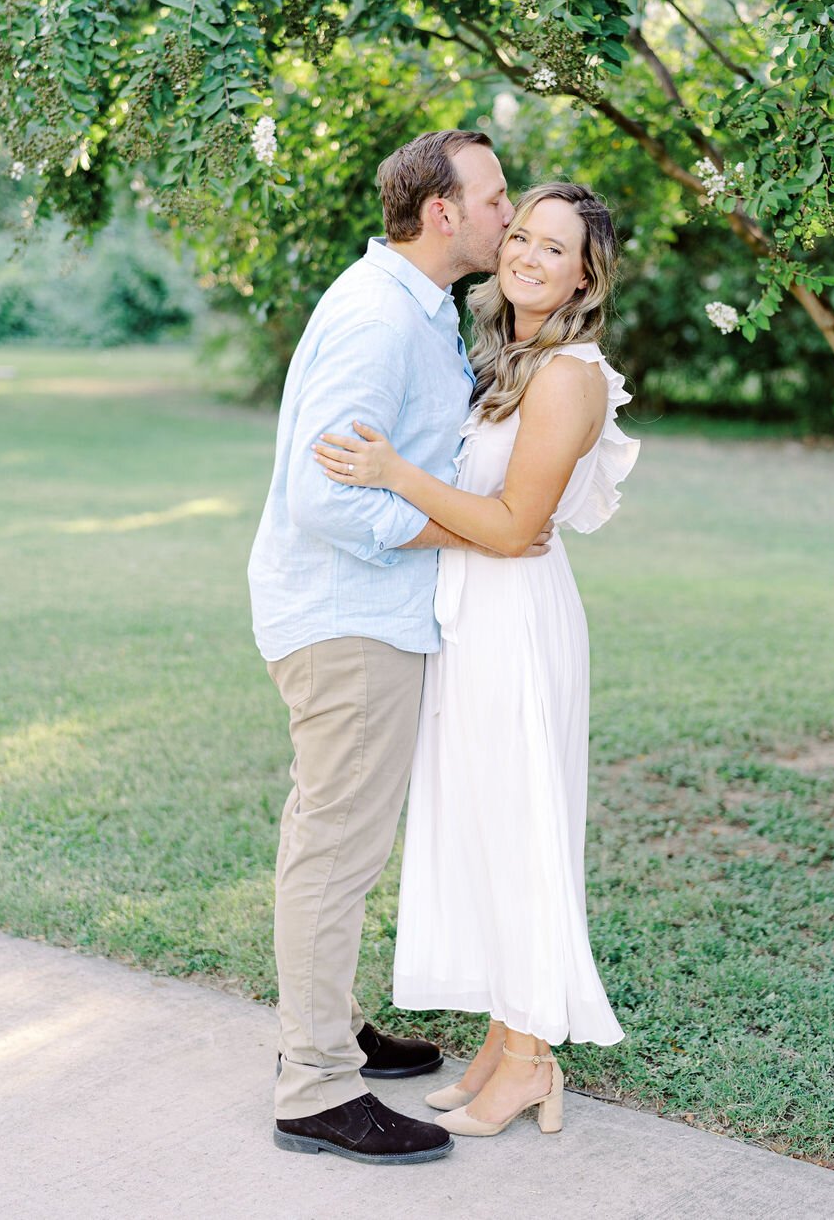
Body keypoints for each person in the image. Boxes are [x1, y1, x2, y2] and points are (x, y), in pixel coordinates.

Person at [247, 130, 553, 1165]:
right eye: (496, 196)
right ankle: (314, 1089)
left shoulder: (419, 311)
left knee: (345, 841)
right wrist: (463, 524)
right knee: (335, 847)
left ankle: (330, 1033)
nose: (508, 214)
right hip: (347, 616)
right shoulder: (380, 319)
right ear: (442, 214)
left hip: (369, 614)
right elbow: (324, 497)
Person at [313, 181, 640, 1139]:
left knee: (522, 829)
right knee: (487, 829)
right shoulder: (513, 355)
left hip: (517, 622)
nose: (527, 256)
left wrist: (394, 474)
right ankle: (503, 1042)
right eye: (522, 237)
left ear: (586, 273)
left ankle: (533, 1061)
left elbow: (510, 527)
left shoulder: (570, 374)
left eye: (554, 249)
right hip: (473, 614)